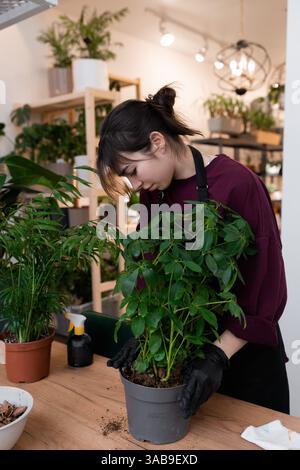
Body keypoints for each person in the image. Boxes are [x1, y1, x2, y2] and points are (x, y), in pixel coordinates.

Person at [97, 85, 290, 418]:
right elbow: (150, 268)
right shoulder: (153, 195)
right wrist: (145, 334)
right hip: (185, 359)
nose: (135, 184)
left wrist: (217, 357)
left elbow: (266, 287)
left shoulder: (238, 184)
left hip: (246, 359)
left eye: (132, 171)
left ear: (157, 142)